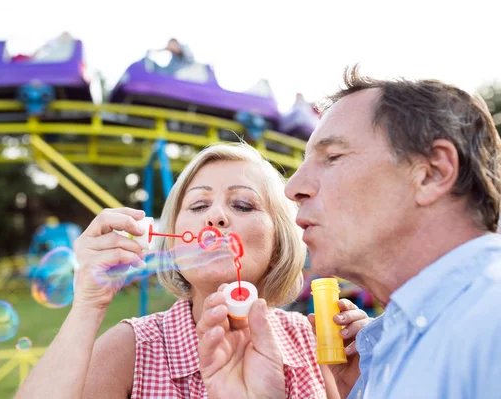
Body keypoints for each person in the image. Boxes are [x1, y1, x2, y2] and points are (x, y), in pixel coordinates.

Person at [196, 66, 501, 398]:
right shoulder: (380, 352)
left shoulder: (490, 321)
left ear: (431, 173)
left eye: (333, 157)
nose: (293, 188)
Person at [14, 142, 371, 399]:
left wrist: (356, 387)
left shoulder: (317, 344)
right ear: (172, 241)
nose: (215, 217)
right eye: (198, 204)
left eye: (243, 204)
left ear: (280, 241)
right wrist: (88, 305)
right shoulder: (135, 350)